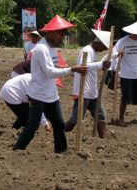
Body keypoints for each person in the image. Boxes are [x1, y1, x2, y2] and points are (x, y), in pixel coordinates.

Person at [13, 15, 87, 153]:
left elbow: (53, 66)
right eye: (60, 33)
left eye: (64, 33)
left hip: (51, 94)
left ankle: (61, 151)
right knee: (33, 125)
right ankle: (18, 149)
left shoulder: (52, 47)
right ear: (51, 32)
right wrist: (72, 69)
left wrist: (70, 70)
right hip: (38, 95)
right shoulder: (41, 49)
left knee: (59, 123)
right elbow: (49, 72)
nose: (62, 36)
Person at [64, 29, 112, 138]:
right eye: (103, 47)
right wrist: (101, 65)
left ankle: (103, 140)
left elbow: (94, 66)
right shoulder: (87, 50)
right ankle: (60, 133)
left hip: (92, 92)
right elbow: (83, 65)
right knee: (76, 119)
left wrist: (103, 65)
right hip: (83, 91)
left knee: (101, 116)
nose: (103, 49)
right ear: (96, 43)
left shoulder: (94, 53)